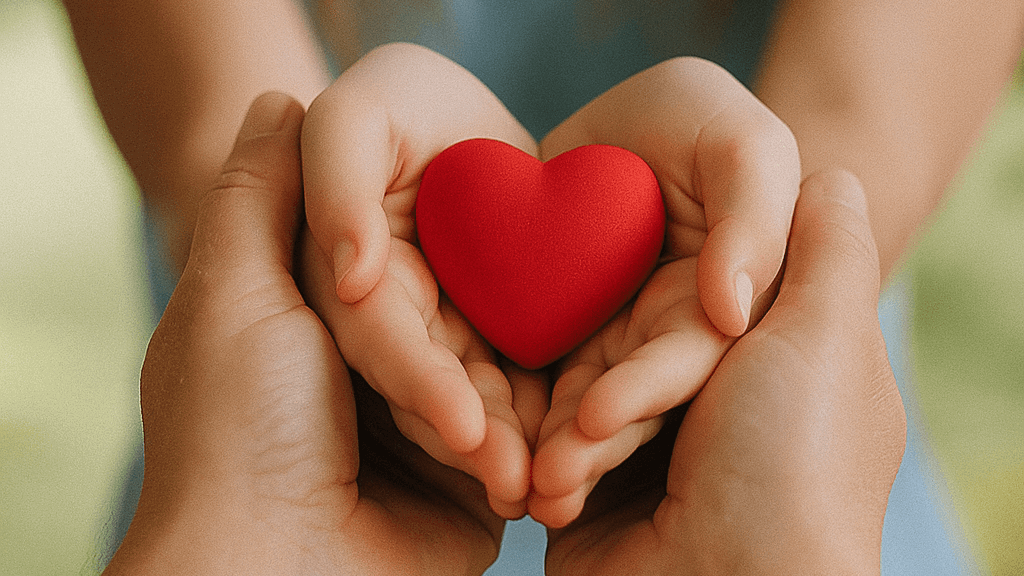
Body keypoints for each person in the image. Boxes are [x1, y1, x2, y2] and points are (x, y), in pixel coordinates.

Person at [59, 0, 1022, 572]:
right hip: (283, 456)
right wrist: (312, 215)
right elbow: (210, 134)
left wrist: (763, 232)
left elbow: (867, 131)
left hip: (771, 463)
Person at [103, 91, 903, 575]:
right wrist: (325, 197)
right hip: (332, 441)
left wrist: (754, 207)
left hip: (757, 457)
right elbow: (199, 122)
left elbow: (870, 116)